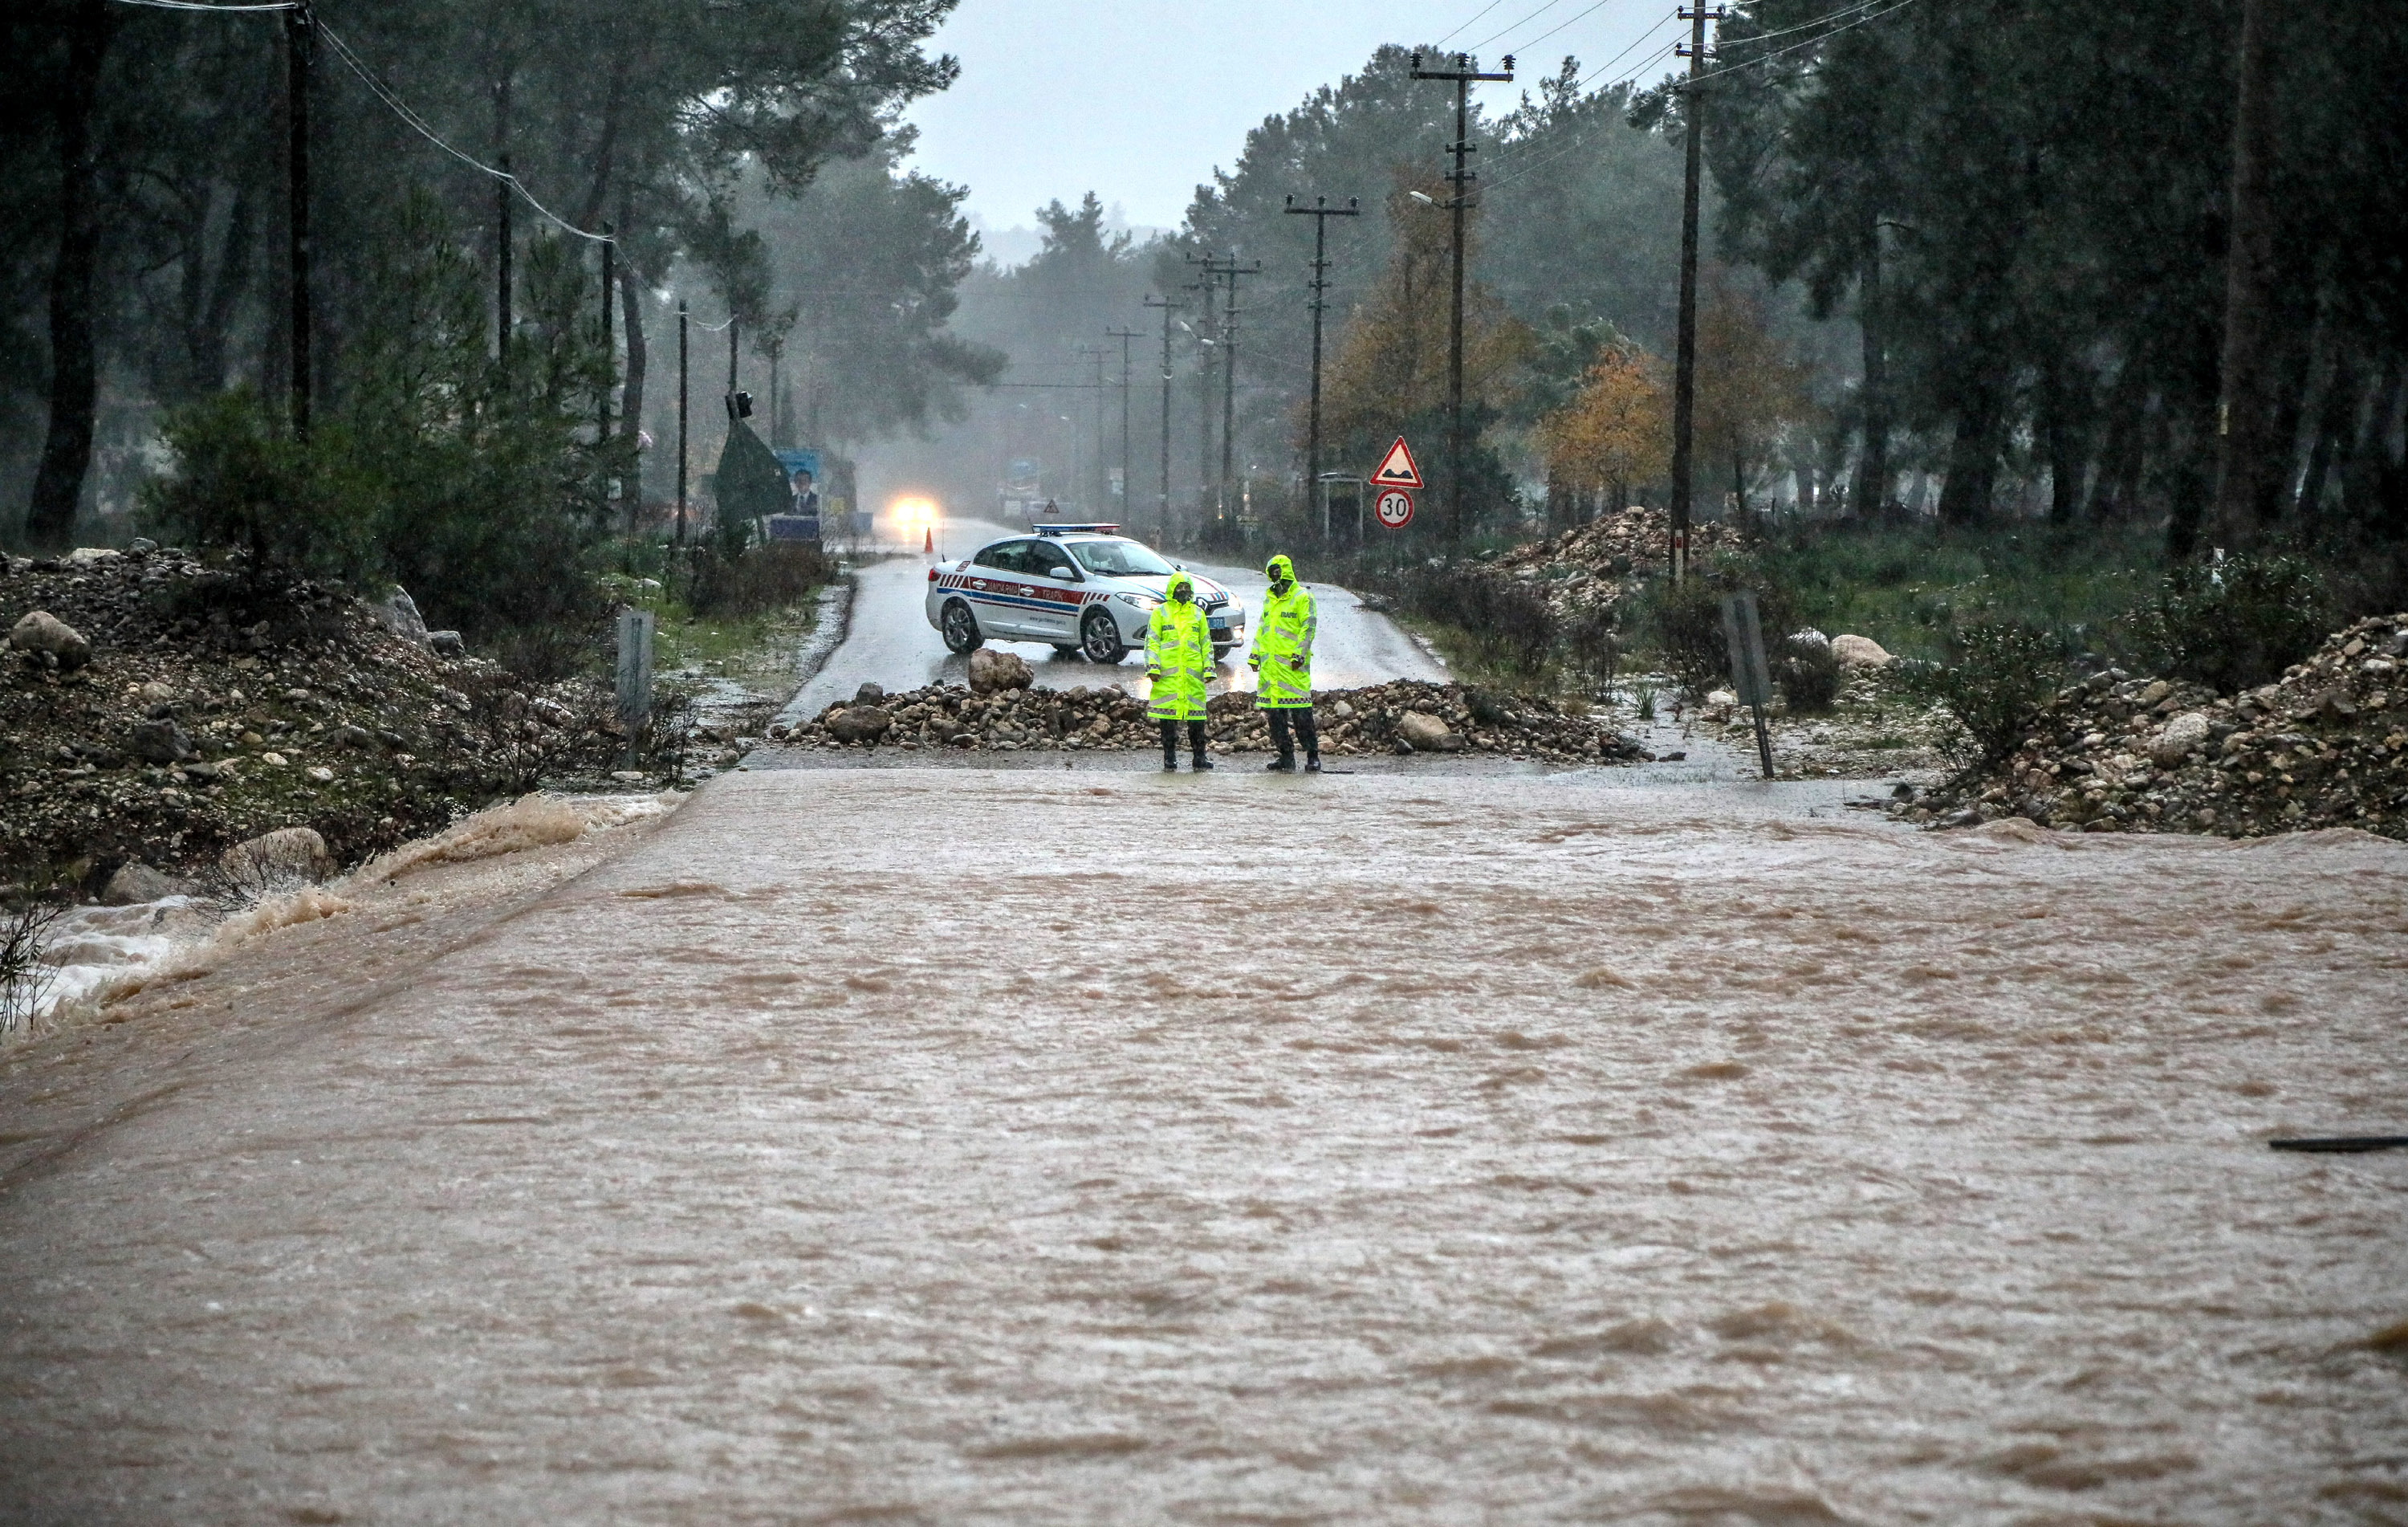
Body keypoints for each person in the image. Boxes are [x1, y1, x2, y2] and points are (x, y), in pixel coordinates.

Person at [1248, 553, 1320, 772]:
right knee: (1275, 720)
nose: (1276, 575)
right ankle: (1286, 757)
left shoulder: (1302, 597)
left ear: (1287, 570)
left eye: (1279, 571)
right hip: (1271, 672)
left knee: (1302, 718)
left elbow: (1308, 628)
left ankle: (1312, 756)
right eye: (1272, 572)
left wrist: (1299, 654)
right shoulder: (1270, 599)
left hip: (1292, 669)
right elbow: (1263, 629)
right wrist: (1254, 654)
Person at [1146, 570, 1214, 771]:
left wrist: (1209, 669)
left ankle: (1199, 757)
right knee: (1168, 722)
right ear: (1171, 590)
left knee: (1197, 722)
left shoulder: (1197, 613)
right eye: (1179, 587)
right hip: (1168, 678)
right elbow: (1152, 641)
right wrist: (1153, 666)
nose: (1183, 591)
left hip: (1193, 678)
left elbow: (1205, 643)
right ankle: (1169, 758)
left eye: (1187, 588)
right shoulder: (1160, 613)